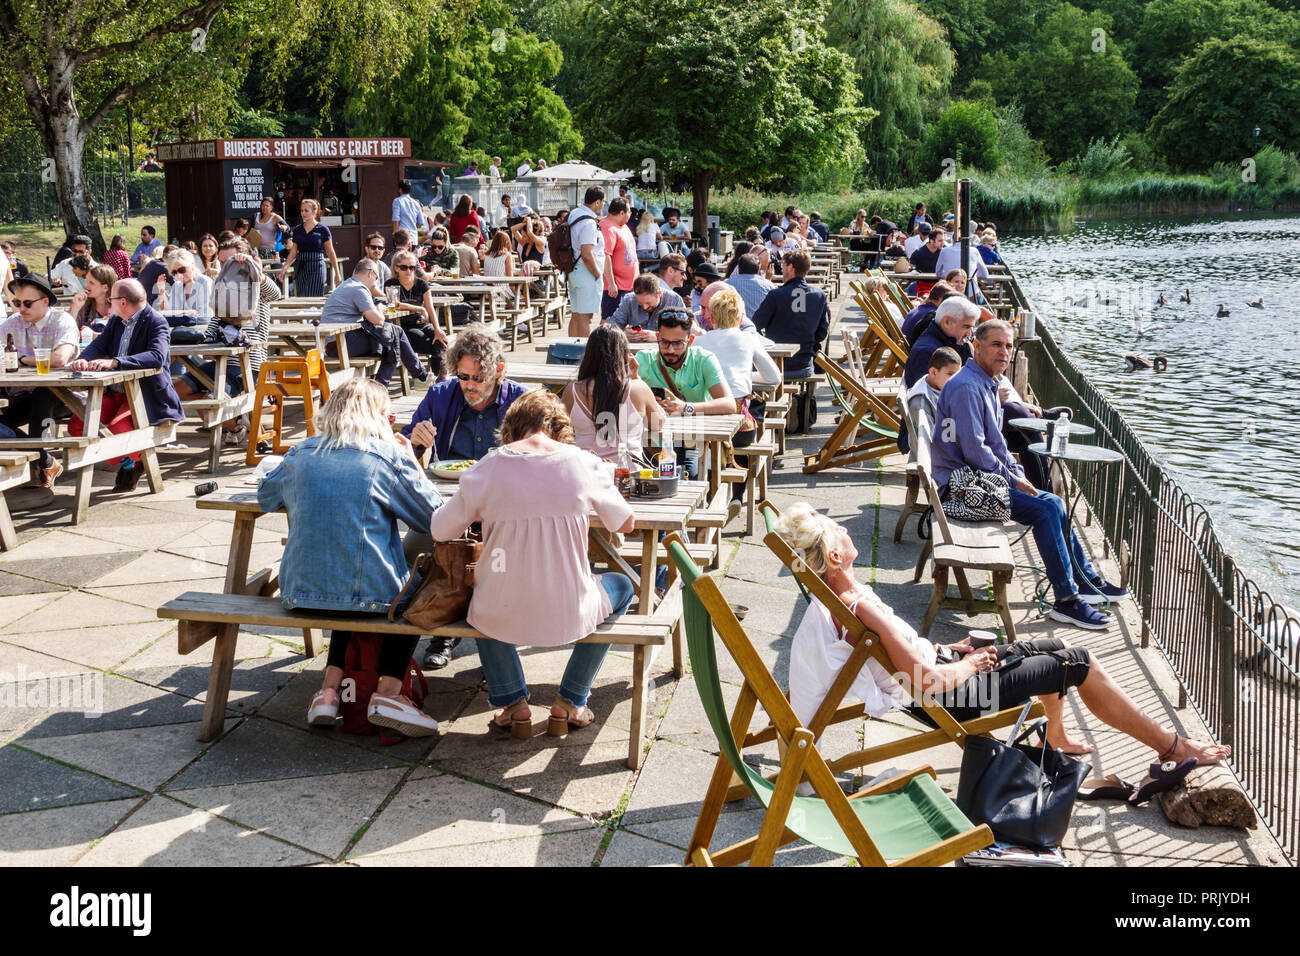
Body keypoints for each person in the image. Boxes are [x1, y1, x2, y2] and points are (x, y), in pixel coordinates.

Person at [777, 502, 1233, 764]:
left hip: (944, 678)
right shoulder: (856, 607)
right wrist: (971, 663)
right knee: (1078, 662)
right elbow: (923, 682)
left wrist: (945, 648)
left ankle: (1055, 735)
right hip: (956, 700)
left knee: (1055, 646)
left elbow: (901, 663)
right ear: (834, 557)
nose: (842, 527)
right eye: (836, 529)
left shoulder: (840, 598)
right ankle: (1174, 747)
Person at [427, 388, 637, 737]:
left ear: (510, 428)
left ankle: (513, 706)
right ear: (558, 429)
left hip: (500, 609)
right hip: (572, 610)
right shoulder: (583, 462)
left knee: (480, 597)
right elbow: (624, 523)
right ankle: (570, 701)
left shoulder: (487, 468)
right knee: (624, 586)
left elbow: (439, 529)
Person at [259, 378, 445, 738]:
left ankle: (329, 692)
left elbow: (266, 497)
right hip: (370, 599)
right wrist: (410, 460)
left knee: (347, 582)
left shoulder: (300, 454)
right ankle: (388, 693)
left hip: (299, 596)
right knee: (420, 584)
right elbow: (434, 519)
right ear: (377, 417)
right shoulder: (387, 456)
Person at [933, 321, 1128, 629]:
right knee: (1047, 508)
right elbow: (976, 452)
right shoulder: (968, 388)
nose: (1004, 352)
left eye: (1009, 346)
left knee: (1053, 502)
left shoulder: (985, 382)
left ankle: (1085, 581)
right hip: (960, 489)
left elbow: (994, 444)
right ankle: (1067, 600)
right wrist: (1013, 480)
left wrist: (1015, 472)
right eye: (997, 344)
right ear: (977, 346)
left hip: (977, 480)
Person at [399, 324, 527, 670]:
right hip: (448, 499)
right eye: (463, 377)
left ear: (498, 370)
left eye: (476, 377)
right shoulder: (442, 395)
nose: (468, 385)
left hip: (506, 505)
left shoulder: (520, 400)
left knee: (493, 557)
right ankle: (433, 628)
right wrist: (415, 441)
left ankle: (486, 629)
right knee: (413, 553)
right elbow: (402, 451)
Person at [67, 278, 184, 491]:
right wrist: (83, 359)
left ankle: (134, 460)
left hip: (143, 394)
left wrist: (116, 362)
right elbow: (98, 345)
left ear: (122, 302)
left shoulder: (156, 321)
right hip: (115, 391)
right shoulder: (116, 320)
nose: (108, 304)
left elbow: (157, 356)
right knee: (78, 425)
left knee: (118, 430)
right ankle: (131, 460)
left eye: (110, 299)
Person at [172, 239, 281, 447]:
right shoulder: (223, 290)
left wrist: (254, 267)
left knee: (210, 402)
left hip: (249, 367)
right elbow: (213, 327)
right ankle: (237, 423)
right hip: (222, 364)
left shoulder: (255, 287)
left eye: (231, 262)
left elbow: (276, 295)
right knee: (176, 389)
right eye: (223, 262)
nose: (226, 267)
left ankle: (233, 421)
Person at [696, 287, 779, 517]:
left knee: (705, 443)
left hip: (705, 419)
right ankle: (736, 496)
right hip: (739, 424)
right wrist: (745, 377)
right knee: (741, 433)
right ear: (740, 317)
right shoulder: (747, 339)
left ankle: (711, 494)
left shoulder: (699, 343)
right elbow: (774, 378)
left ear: (710, 315)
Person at [634, 308, 735, 480]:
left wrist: (685, 407)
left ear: (691, 340)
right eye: (665, 343)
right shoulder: (643, 360)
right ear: (657, 337)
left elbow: (729, 404)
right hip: (655, 444)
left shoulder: (704, 359)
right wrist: (640, 392)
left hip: (694, 443)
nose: (671, 350)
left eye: (678, 343)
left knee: (694, 478)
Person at [0, 273, 78, 487]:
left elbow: (60, 358)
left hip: (63, 395)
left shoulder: (62, 321)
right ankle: (44, 460)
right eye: (16, 302)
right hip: (20, 394)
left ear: (45, 301)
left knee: (43, 393)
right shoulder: (10, 325)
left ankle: (38, 466)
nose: (21, 308)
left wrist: (23, 359)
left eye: (27, 303)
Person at [563, 323, 664, 462]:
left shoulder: (571, 390)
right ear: (623, 354)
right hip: (629, 472)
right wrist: (636, 378)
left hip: (586, 471)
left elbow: (562, 431)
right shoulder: (638, 389)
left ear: (589, 355)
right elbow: (657, 424)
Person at [752, 249, 830, 380]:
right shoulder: (819, 295)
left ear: (791, 267)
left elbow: (755, 325)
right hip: (803, 362)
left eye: (783, 265)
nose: (781, 269)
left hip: (775, 362)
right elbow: (822, 332)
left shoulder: (776, 295)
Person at [384, 249, 449, 376]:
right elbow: (393, 304)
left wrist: (437, 329)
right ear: (396, 268)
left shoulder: (421, 284)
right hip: (403, 327)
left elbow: (430, 308)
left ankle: (440, 378)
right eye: (404, 267)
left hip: (421, 323)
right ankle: (438, 378)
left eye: (412, 268)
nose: (408, 271)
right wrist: (418, 308)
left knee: (442, 341)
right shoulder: (391, 284)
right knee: (432, 344)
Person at [897, 345, 960, 456]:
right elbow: (930, 444)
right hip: (940, 457)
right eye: (950, 374)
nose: (955, 380)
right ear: (933, 372)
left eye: (957, 375)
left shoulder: (938, 385)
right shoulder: (920, 402)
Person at [903, 295, 976, 388]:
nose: (969, 333)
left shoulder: (955, 343)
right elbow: (929, 399)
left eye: (971, 328)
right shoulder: (926, 352)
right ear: (947, 322)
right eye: (966, 327)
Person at [566, 186, 606, 337]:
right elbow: (587, 254)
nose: (603, 205)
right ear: (597, 202)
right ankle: (585, 356)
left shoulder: (574, 214)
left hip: (573, 269)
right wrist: (597, 274)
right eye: (603, 202)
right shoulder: (589, 222)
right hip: (586, 271)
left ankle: (571, 352)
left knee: (576, 315)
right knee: (586, 319)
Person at [281, 198, 341, 295]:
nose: (303, 213)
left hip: (317, 265)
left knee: (314, 296)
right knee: (302, 297)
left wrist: (337, 274)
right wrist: (284, 268)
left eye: (306, 210)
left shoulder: (323, 229)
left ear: (314, 211)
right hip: (300, 266)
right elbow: (293, 252)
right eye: (301, 210)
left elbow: (330, 252)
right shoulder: (297, 230)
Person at [605, 271, 685, 342]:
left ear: (659, 294)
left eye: (648, 303)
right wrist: (623, 334)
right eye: (640, 303)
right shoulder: (629, 300)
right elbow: (610, 328)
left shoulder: (674, 300)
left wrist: (659, 336)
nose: (645, 307)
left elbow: (685, 331)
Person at [157, 248, 214, 344]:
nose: (179, 275)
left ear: (192, 265)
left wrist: (182, 315)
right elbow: (170, 313)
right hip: (183, 337)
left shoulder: (205, 282)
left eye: (182, 270)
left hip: (204, 338)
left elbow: (206, 318)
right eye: (174, 272)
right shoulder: (177, 285)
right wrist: (162, 293)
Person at [599, 197, 636, 324]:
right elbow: (605, 255)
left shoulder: (623, 226)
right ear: (621, 213)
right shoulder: (607, 227)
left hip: (628, 285)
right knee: (609, 320)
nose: (630, 214)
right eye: (629, 211)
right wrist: (611, 283)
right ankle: (602, 344)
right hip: (616, 286)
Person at [69, 264, 117, 340]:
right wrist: (75, 308)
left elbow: (122, 335)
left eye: (91, 283)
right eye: (86, 280)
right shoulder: (83, 304)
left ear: (105, 288)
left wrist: (94, 335)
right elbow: (67, 331)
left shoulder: (119, 307)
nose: (86, 285)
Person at [723, 253, 776, 320]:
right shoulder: (770, 286)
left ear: (738, 269)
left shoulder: (726, 284)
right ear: (758, 269)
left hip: (734, 325)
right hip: (759, 326)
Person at [901, 280, 956, 345]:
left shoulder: (918, 309)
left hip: (908, 349)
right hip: (918, 351)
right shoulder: (934, 315)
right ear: (941, 299)